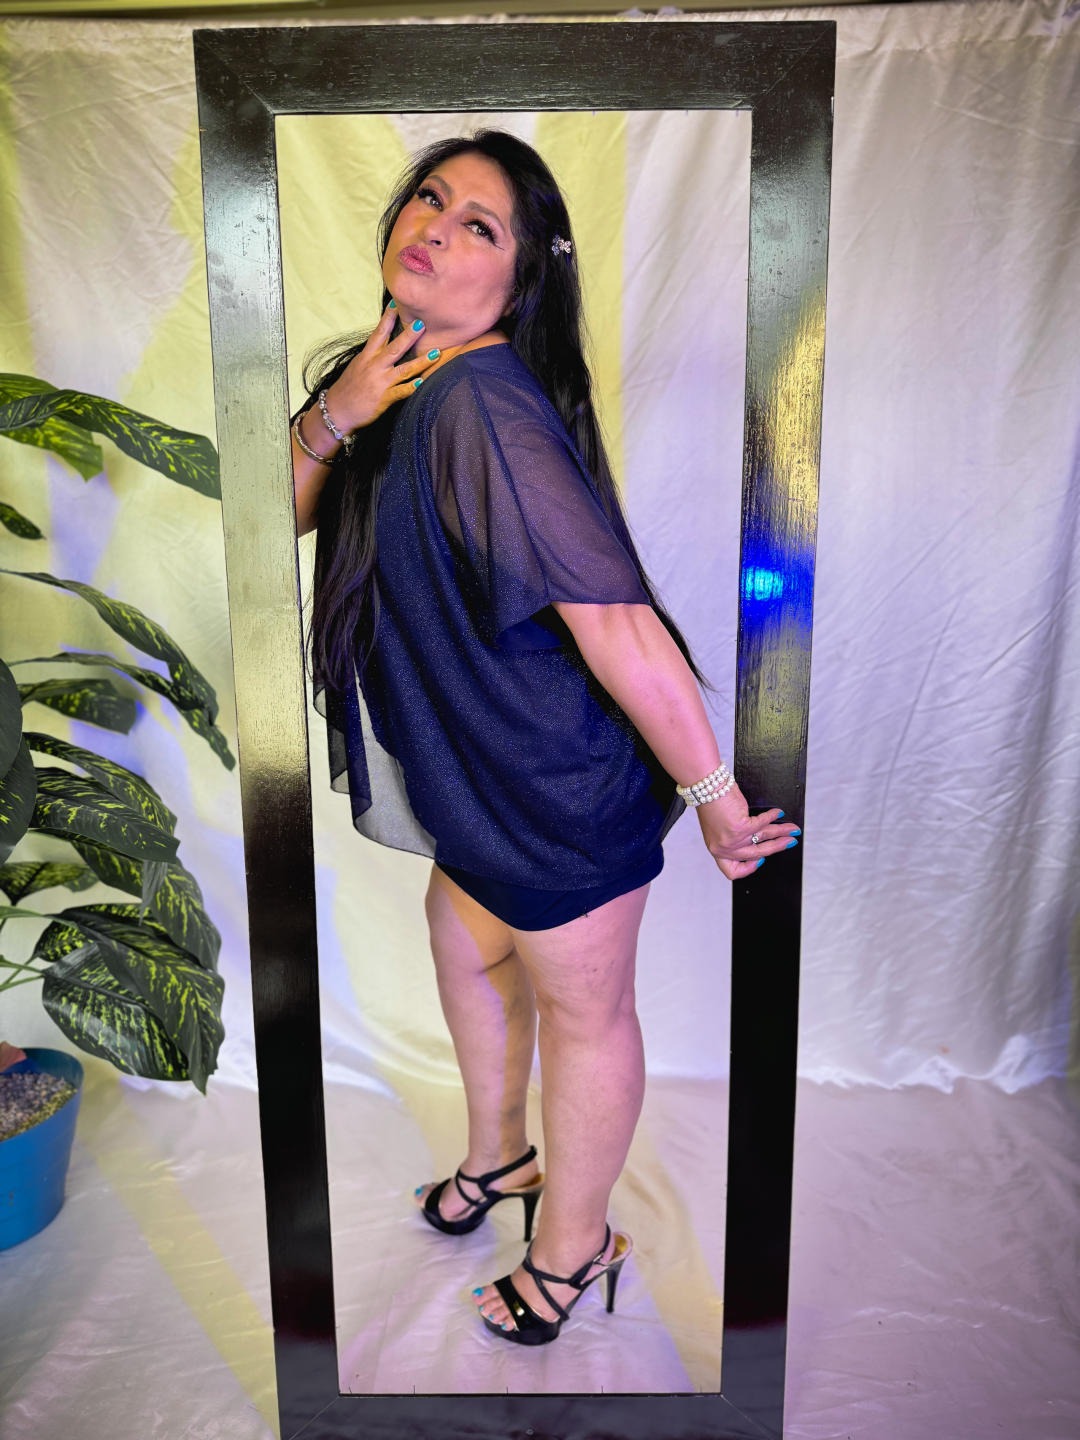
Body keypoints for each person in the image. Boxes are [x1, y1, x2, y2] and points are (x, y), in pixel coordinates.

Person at [289, 129, 800, 1347]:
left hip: (557, 785)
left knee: (584, 1015)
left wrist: (716, 796)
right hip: (479, 770)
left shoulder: (483, 403)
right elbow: (279, 521)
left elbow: (614, 621)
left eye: (479, 225)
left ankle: (574, 1251)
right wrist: (337, 412)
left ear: (520, 282)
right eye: (429, 198)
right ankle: (502, 1159)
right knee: (463, 949)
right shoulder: (391, 374)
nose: (434, 225)